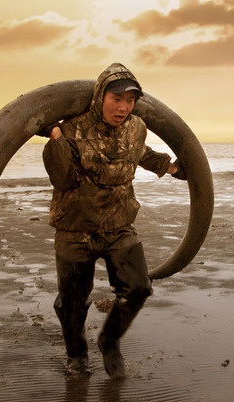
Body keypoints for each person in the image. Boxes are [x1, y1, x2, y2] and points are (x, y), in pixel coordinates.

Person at [40, 63, 186, 378]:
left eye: (130, 101)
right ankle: (77, 356)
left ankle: (109, 341)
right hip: (75, 227)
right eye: (116, 98)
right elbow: (63, 179)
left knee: (138, 289)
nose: (123, 107)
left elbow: (140, 152)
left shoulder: (136, 126)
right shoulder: (72, 128)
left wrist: (171, 168)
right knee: (73, 302)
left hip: (119, 222)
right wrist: (55, 137)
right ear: (100, 96)